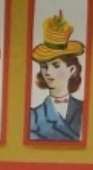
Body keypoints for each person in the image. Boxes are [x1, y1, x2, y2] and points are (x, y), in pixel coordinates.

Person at [28, 11, 84, 142]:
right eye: (44, 66)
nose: (48, 72)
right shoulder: (34, 116)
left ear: (71, 69)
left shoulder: (86, 110)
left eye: (56, 65)